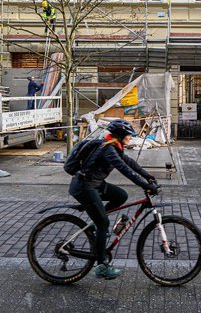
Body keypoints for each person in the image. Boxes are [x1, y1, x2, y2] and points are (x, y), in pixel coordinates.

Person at [69, 118, 159, 280]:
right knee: (103, 223)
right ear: (121, 135)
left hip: (95, 184)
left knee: (121, 196)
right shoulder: (108, 149)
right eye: (128, 135)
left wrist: (148, 176)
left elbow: (129, 162)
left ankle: (98, 223)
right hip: (84, 187)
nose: (130, 137)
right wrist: (145, 186)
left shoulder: (113, 146)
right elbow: (124, 169)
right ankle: (102, 265)